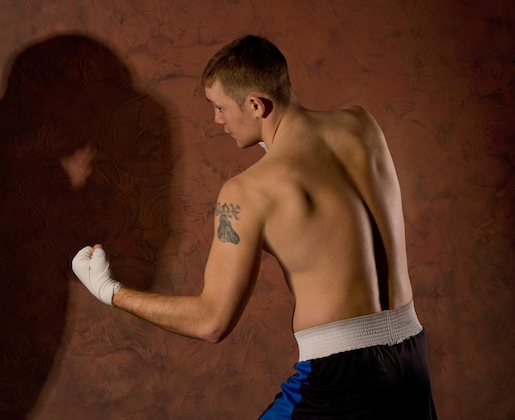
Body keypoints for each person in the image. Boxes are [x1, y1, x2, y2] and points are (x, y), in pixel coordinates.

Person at [72, 35, 437, 419]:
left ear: (256, 104)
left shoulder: (248, 191)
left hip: (339, 378)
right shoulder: (362, 125)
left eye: (220, 107)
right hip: (411, 358)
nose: (217, 120)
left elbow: (211, 321)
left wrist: (110, 291)